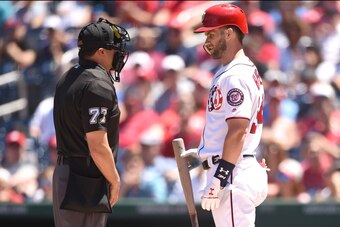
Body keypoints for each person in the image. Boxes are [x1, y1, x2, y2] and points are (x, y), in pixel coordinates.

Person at [182, 4, 268, 227]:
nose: (206, 41)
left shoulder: (235, 75)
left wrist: (220, 178)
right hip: (236, 167)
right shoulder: (239, 69)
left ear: (229, 33)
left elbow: (238, 131)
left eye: (212, 33)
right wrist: (205, 150)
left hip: (232, 173)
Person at [52, 17, 130, 227]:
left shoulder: (68, 76)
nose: (120, 54)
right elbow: (97, 145)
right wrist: (114, 179)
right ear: (101, 52)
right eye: (115, 49)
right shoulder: (97, 84)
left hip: (66, 172)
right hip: (85, 178)